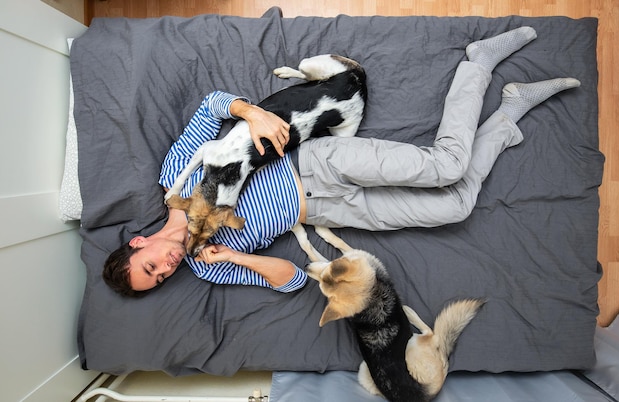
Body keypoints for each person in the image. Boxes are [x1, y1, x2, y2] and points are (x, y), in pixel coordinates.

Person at [103, 27, 581, 297]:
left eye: (151, 267)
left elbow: (210, 108)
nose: (166, 268)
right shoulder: (208, 266)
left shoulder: (173, 178)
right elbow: (291, 280)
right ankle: (510, 110)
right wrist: (231, 254)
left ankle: (477, 65)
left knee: (447, 168)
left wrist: (251, 114)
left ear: (140, 243)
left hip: (317, 165)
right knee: (455, 208)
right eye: (161, 279)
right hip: (329, 212)